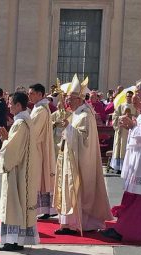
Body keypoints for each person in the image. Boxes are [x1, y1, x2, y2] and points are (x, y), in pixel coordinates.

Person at [101, 79, 141, 242]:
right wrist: (135, 122)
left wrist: (131, 126)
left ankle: (123, 231)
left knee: (138, 198)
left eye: (137, 92)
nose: (135, 95)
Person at [53, 75, 113, 235]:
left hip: (81, 161)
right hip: (70, 158)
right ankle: (67, 223)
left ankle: (79, 223)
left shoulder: (86, 116)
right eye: (67, 99)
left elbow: (85, 141)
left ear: (80, 99)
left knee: (78, 189)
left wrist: (69, 129)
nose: (68, 102)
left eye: (71, 99)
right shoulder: (76, 114)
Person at [0, 92, 39, 251]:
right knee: (18, 203)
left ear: (18, 106)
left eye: (10, 103)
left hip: (16, 172)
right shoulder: (26, 121)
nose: (8, 106)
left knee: (13, 204)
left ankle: (13, 240)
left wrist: (4, 142)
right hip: (23, 169)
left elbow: (12, 152)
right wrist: (8, 140)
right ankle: (16, 240)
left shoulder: (20, 123)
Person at [28, 83, 56, 219]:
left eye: (32, 93)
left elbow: (34, 132)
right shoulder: (39, 108)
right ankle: (44, 209)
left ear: (40, 94)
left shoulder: (41, 110)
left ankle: (43, 208)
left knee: (39, 177)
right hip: (38, 148)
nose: (29, 96)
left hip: (38, 149)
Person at [111, 91, 138, 173]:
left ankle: (129, 167)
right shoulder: (120, 106)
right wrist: (122, 117)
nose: (129, 97)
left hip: (131, 130)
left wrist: (131, 117)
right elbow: (115, 116)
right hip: (122, 130)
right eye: (128, 96)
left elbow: (138, 117)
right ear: (125, 97)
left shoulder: (135, 107)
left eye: (130, 96)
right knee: (121, 147)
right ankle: (119, 167)